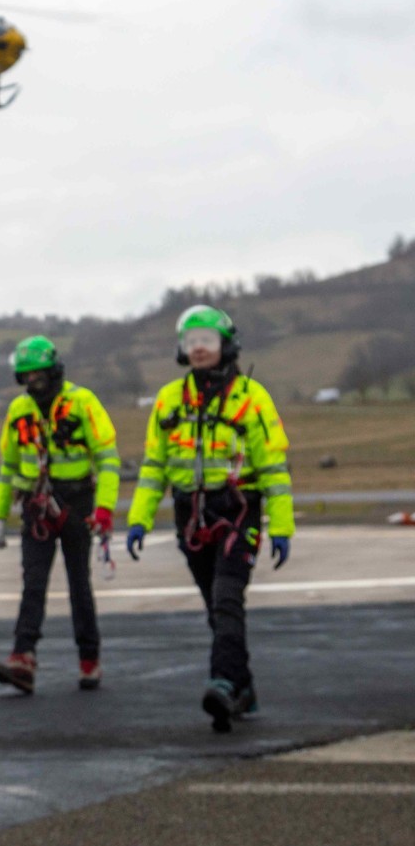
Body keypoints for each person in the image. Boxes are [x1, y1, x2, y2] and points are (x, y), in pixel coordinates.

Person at [125, 305, 292, 733]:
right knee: (215, 608)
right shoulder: (168, 399)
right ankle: (244, 686)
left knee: (226, 597)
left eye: (207, 340)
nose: (198, 348)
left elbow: (273, 467)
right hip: (191, 515)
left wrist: (282, 525)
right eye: (190, 341)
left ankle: (223, 683)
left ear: (226, 345)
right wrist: (139, 519)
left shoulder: (252, 399)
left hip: (239, 509)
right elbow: (153, 466)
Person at [0, 336, 121, 694]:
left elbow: (108, 460)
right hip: (35, 506)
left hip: (76, 505)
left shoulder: (82, 403)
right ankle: (22, 657)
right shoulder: (18, 412)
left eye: (39, 375)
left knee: (79, 584)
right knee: (33, 583)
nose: (34, 383)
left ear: (54, 371)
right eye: (27, 377)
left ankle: (89, 659)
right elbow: (9, 466)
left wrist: (104, 509)